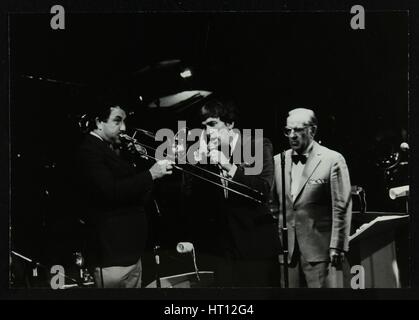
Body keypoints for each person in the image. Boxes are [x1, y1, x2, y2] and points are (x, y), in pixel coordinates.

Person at [186, 98, 281, 287]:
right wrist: (195, 165)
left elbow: (263, 189)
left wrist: (229, 165)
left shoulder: (257, 145)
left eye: (213, 124)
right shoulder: (208, 155)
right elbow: (191, 199)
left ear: (230, 124)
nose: (208, 132)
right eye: (204, 126)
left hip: (256, 246)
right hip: (224, 249)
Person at [76, 102, 173, 288]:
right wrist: (150, 174)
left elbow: (136, 192)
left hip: (130, 253)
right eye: (117, 121)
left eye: (124, 121)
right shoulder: (89, 150)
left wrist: (141, 162)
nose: (124, 128)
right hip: (111, 254)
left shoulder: (113, 149)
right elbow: (110, 191)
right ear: (98, 122)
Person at [274, 108, 352, 288]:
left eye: (298, 130)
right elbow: (273, 205)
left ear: (312, 130)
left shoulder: (332, 159)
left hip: (320, 251)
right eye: (288, 130)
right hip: (287, 252)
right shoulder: (279, 161)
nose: (292, 135)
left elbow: (341, 206)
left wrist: (338, 246)